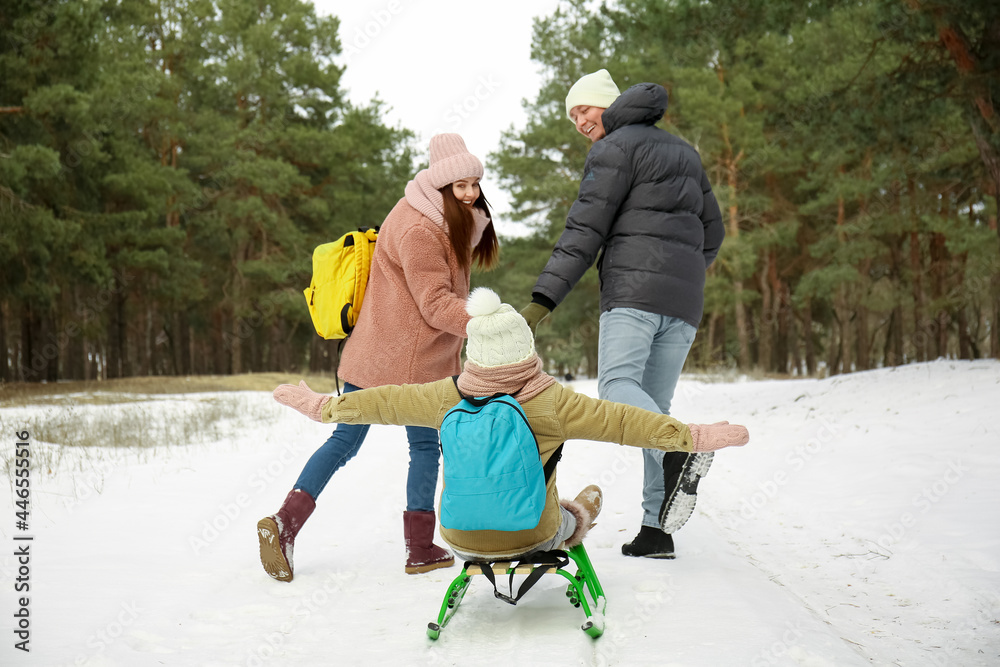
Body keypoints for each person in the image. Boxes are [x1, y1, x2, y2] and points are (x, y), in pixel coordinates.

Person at [271, 288, 749, 562]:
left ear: (473, 352)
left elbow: (383, 403)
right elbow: (625, 422)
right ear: (526, 348)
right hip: (531, 535)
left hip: (458, 536)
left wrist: (321, 407)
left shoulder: (446, 394)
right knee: (561, 516)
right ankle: (579, 511)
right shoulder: (552, 402)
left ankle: (571, 507)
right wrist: (693, 436)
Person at [257, 134, 499, 582]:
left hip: (374, 355)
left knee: (344, 442)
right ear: (440, 184)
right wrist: (488, 322)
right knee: (425, 446)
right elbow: (435, 303)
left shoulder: (429, 214)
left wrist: (474, 226)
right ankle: (421, 547)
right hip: (414, 362)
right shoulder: (421, 228)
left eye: (475, 184)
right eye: (460, 186)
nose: (470, 194)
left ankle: (285, 523)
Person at [519, 69, 726, 559]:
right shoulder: (684, 153)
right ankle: (657, 530)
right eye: (571, 116)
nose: (578, 121)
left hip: (633, 295)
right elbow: (712, 233)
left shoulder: (613, 149)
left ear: (608, 106)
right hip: (684, 303)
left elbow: (582, 231)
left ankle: (682, 447)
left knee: (617, 388)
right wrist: (685, 274)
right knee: (650, 408)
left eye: (584, 109)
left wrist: (541, 300)